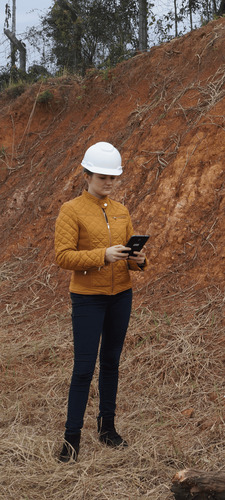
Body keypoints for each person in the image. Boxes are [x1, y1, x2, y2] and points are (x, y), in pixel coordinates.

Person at [55, 141, 148, 462]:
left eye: (113, 177)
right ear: (87, 175)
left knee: (111, 363)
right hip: (87, 299)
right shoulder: (71, 210)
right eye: (102, 177)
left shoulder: (121, 210)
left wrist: (138, 259)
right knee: (83, 368)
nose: (108, 183)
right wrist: (102, 256)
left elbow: (129, 260)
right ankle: (71, 439)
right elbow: (63, 255)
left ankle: (107, 428)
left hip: (121, 295)